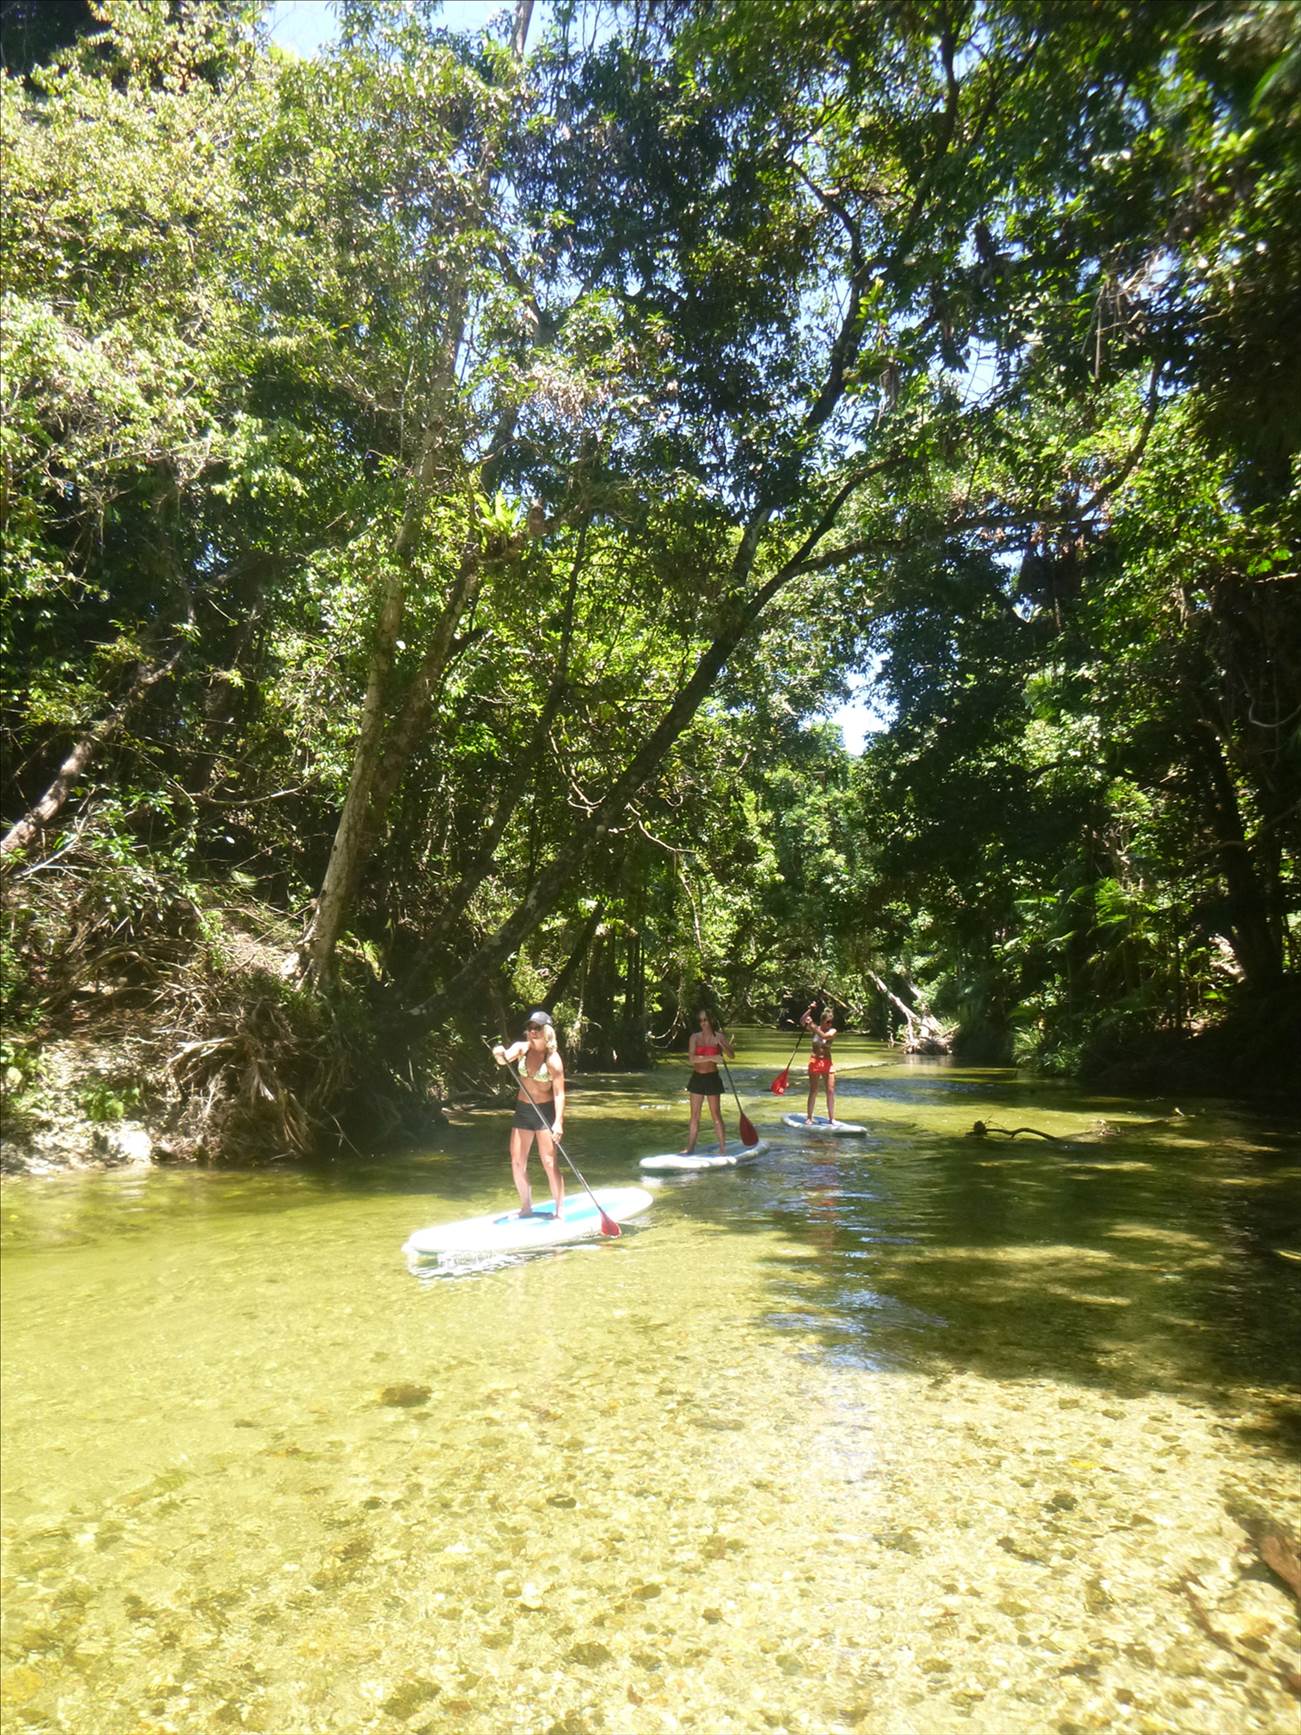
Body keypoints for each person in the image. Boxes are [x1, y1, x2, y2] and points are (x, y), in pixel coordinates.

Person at [492, 1009, 565, 1219]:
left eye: (537, 1028)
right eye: (530, 1028)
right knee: (517, 1161)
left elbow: (560, 1094)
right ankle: (526, 1207)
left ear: (547, 1031)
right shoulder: (522, 1049)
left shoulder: (553, 1060)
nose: (532, 1032)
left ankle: (560, 1211)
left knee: (549, 1163)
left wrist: (558, 1123)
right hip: (524, 1111)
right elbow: (505, 1057)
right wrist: (500, 1054)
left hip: (545, 1113)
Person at [680, 1008, 735, 1155]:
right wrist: (711, 1057)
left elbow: (731, 1055)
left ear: (711, 1021)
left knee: (715, 1114)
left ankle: (723, 1148)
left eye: (705, 1020)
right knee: (695, 1115)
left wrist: (722, 1045)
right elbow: (691, 1059)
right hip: (697, 1078)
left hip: (712, 1078)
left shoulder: (719, 1036)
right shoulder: (695, 1038)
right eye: (700, 1021)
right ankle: (690, 1147)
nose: (703, 1023)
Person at [802, 1005, 838, 1125]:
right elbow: (802, 1020)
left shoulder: (832, 1031)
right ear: (822, 1021)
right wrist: (810, 1009)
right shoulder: (815, 1028)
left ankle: (831, 1118)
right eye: (827, 1022)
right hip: (815, 1062)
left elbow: (824, 1036)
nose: (829, 1024)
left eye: (831, 1022)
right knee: (814, 1090)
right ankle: (809, 1117)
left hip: (827, 1063)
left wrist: (812, 1026)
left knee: (830, 1090)